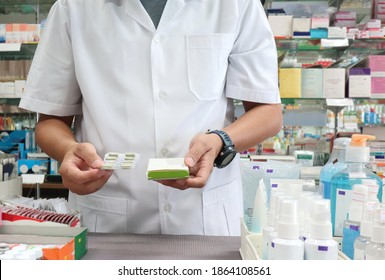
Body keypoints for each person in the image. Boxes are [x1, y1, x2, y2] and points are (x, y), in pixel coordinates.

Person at [19, 0, 282, 235]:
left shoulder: (236, 4)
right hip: (109, 218)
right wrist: (69, 150)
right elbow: (50, 122)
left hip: (205, 217)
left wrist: (221, 140)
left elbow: (268, 112)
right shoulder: (73, 8)